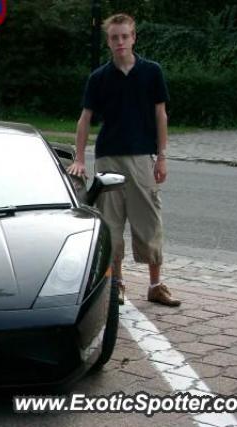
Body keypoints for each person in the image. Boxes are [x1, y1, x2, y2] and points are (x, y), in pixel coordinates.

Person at [67, 13, 180, 307]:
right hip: (108, 159)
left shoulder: (152, 72)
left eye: (125, 36)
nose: (120, 42)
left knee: (149, 221)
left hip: (143, 156)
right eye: (114, 37)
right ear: (108, 41)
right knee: (111, 224)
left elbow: (160, 115)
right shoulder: (99, 78)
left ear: (134, 38)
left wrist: (162, 157)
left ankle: (156, 285)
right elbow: (85, 119)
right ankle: (117, 283)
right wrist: (80, 158)